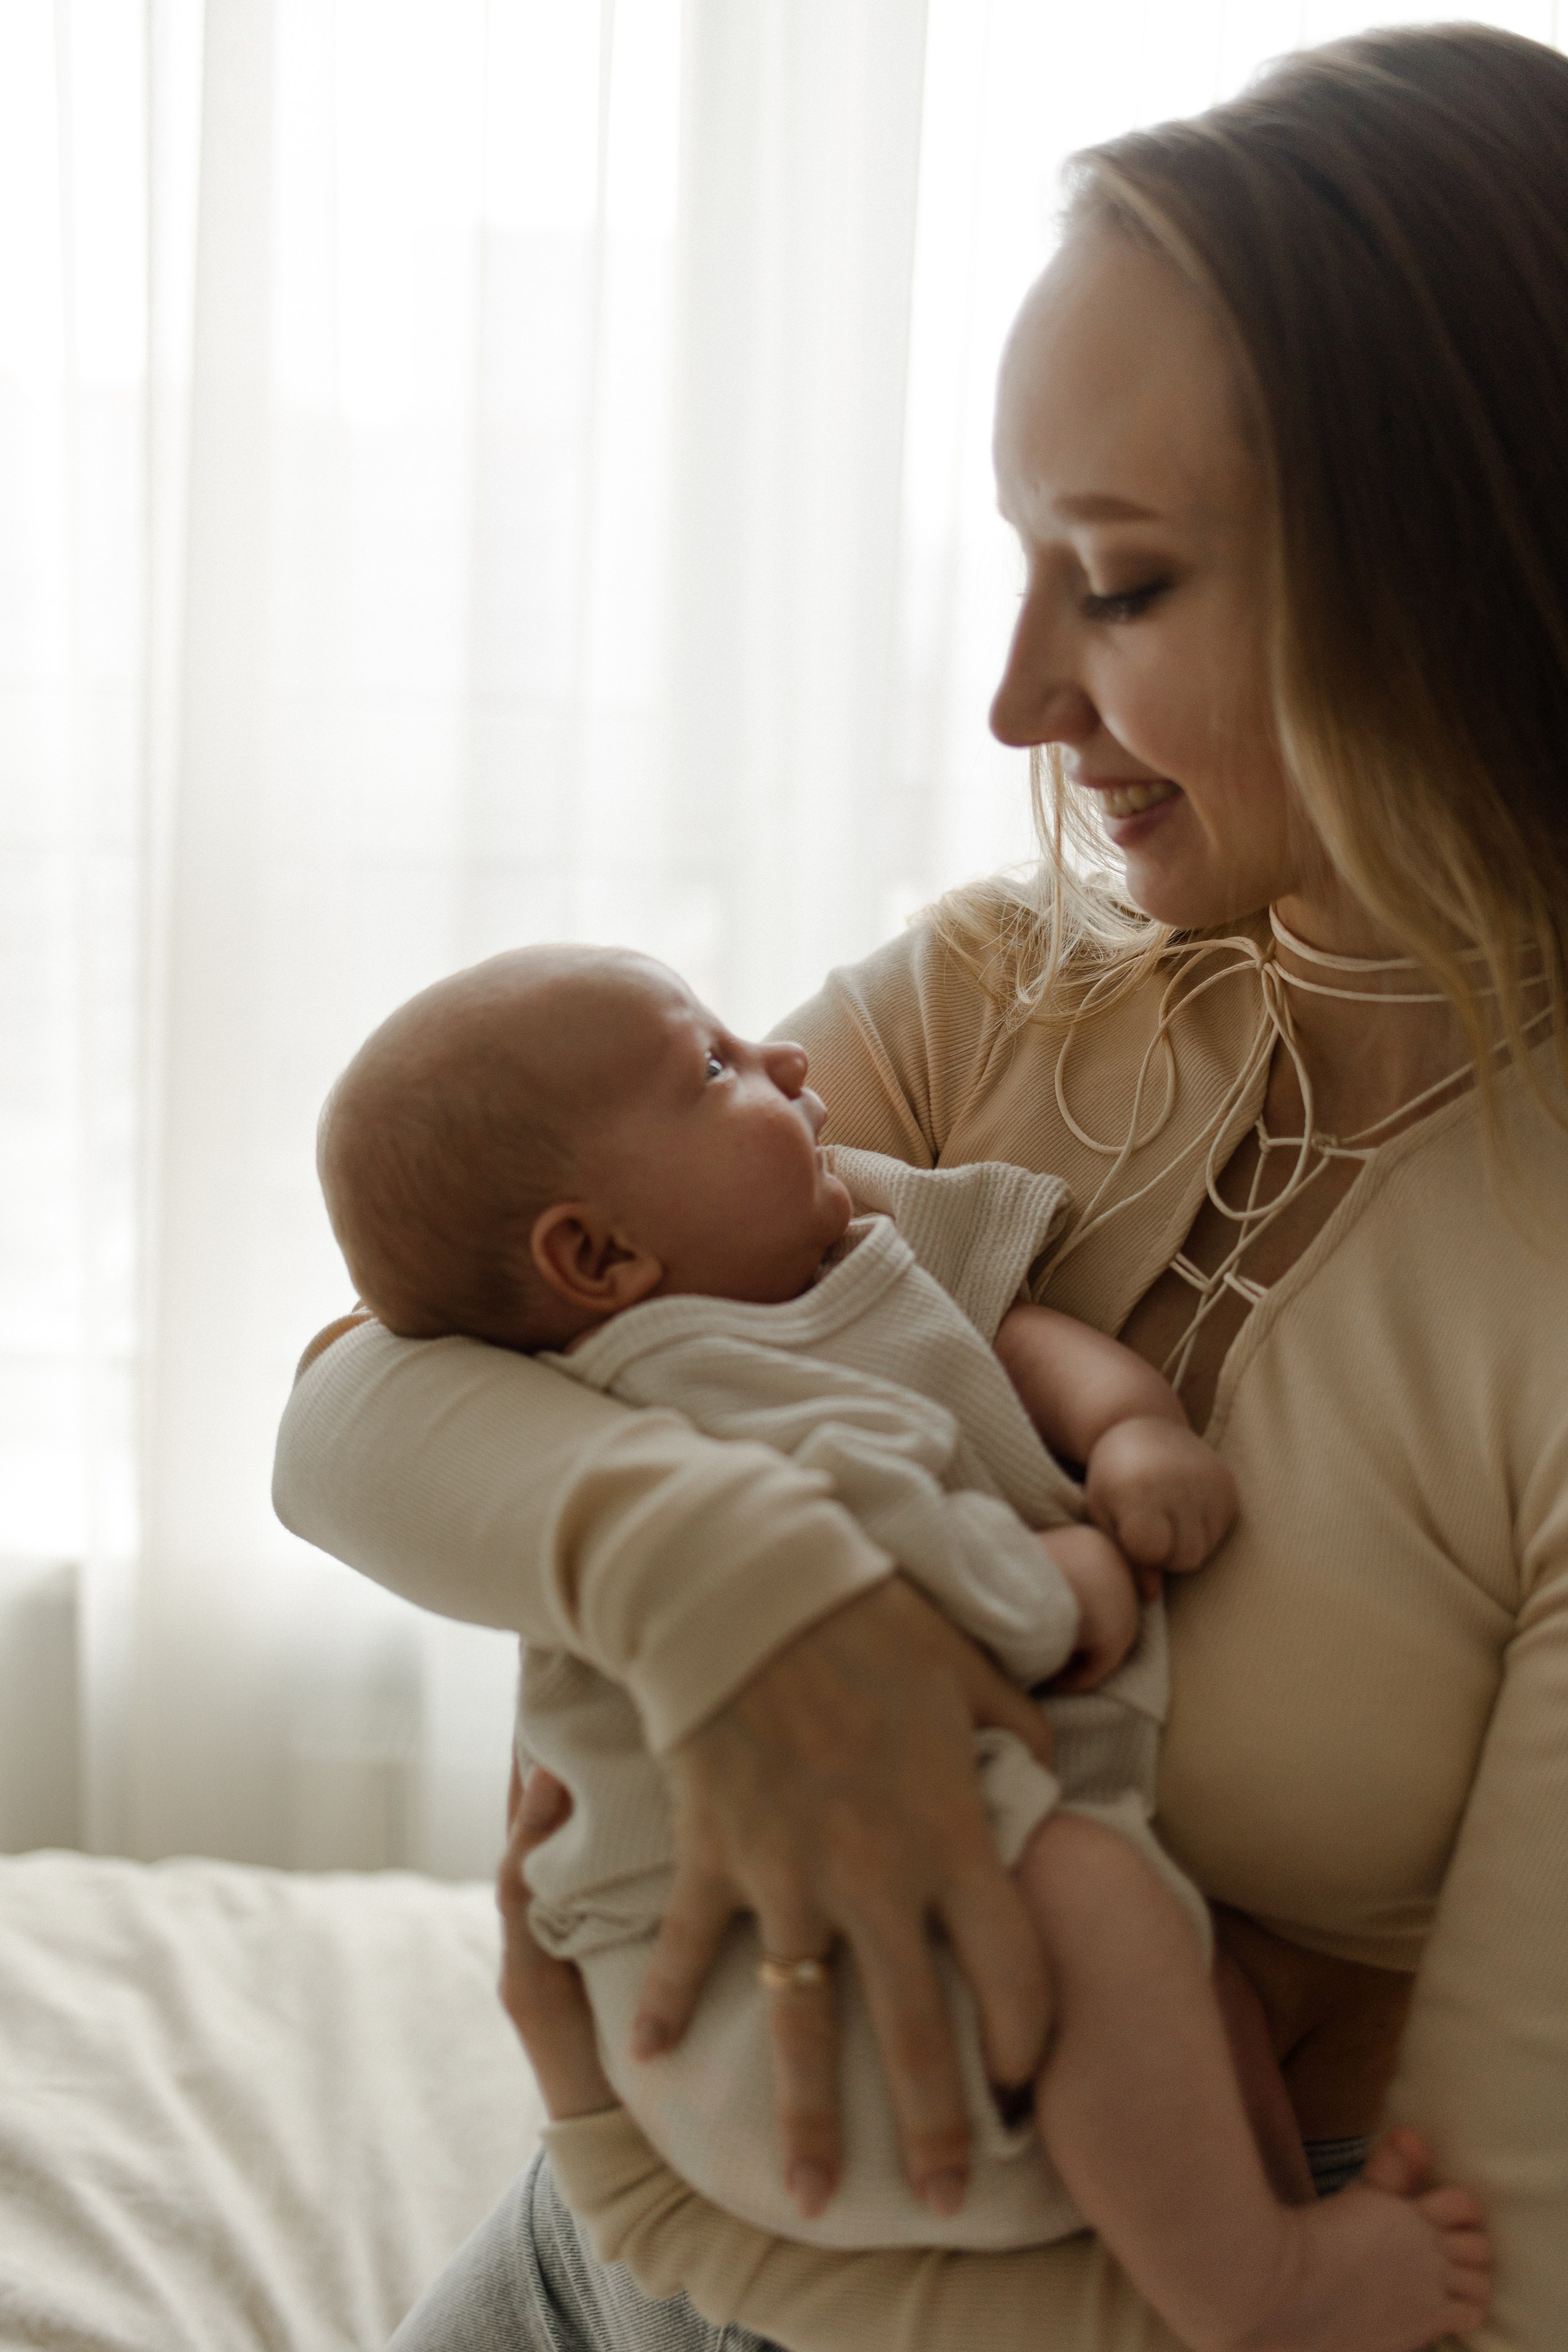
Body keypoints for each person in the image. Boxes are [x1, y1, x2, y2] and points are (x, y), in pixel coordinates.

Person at [274, 21, 1568, 2350]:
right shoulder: (997, 994)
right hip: (573, 2268)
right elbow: (362, 1397)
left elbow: (1477, 2292)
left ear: (1463, 586)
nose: (1013, 701)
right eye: (1020, 561)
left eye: (1123, 583)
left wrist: (648, 2192)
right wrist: (729, 1593)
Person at [313, 947, 1483, 2341]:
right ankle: (1260, 2283)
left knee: (1180, 1968)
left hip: (854, 2176)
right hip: (750, 2016)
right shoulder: (696, 1375)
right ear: (600, 1258)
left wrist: (1127, 1425)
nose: (782, 1061)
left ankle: (1274, 2251)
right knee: (1101, 1905)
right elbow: (344, 1398)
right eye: (714, 1066)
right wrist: (1066, 1580)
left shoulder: (828, 1242)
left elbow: (995, 1330)